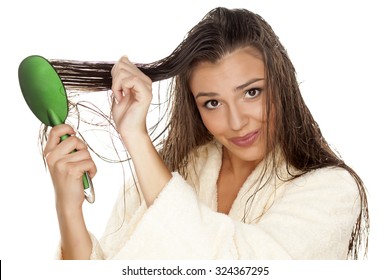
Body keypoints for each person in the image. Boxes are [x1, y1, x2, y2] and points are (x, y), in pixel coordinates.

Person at [42, 7, 369, 260]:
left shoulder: (333, 191)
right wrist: (68, 208)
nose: (237, 121)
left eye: (251, 93)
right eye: (213, 102)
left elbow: (242, 266)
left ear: (281, 84)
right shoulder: (164, 178)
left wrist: (138, 140)